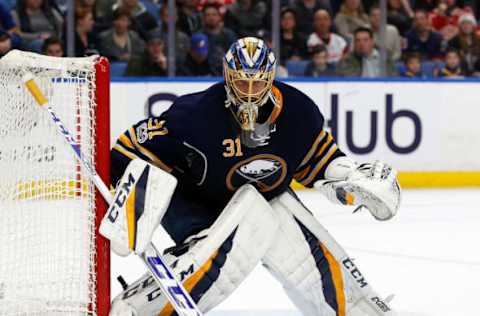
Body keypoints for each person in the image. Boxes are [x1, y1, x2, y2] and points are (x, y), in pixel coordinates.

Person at [108, 37, 401, 315]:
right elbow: (131, 146)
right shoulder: (196, 115)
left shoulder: (297, 112)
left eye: (257, 82)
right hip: (193, 201)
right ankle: (139, 307)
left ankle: (353, 309)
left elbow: (319, 161)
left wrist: (350, 178)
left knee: (291, 238)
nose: (249, 91)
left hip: (260, 195)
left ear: (270, 77)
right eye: (241, 81)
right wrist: (125, 194)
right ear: (227, 76)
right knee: (245, 230)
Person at [201, 4, 237, 75]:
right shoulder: (200, 36)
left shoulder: (229, 35)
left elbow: (235, 56)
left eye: (214, 15)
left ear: (219, 17)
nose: (211, 18)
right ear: (203, 18)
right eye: (208, 15)